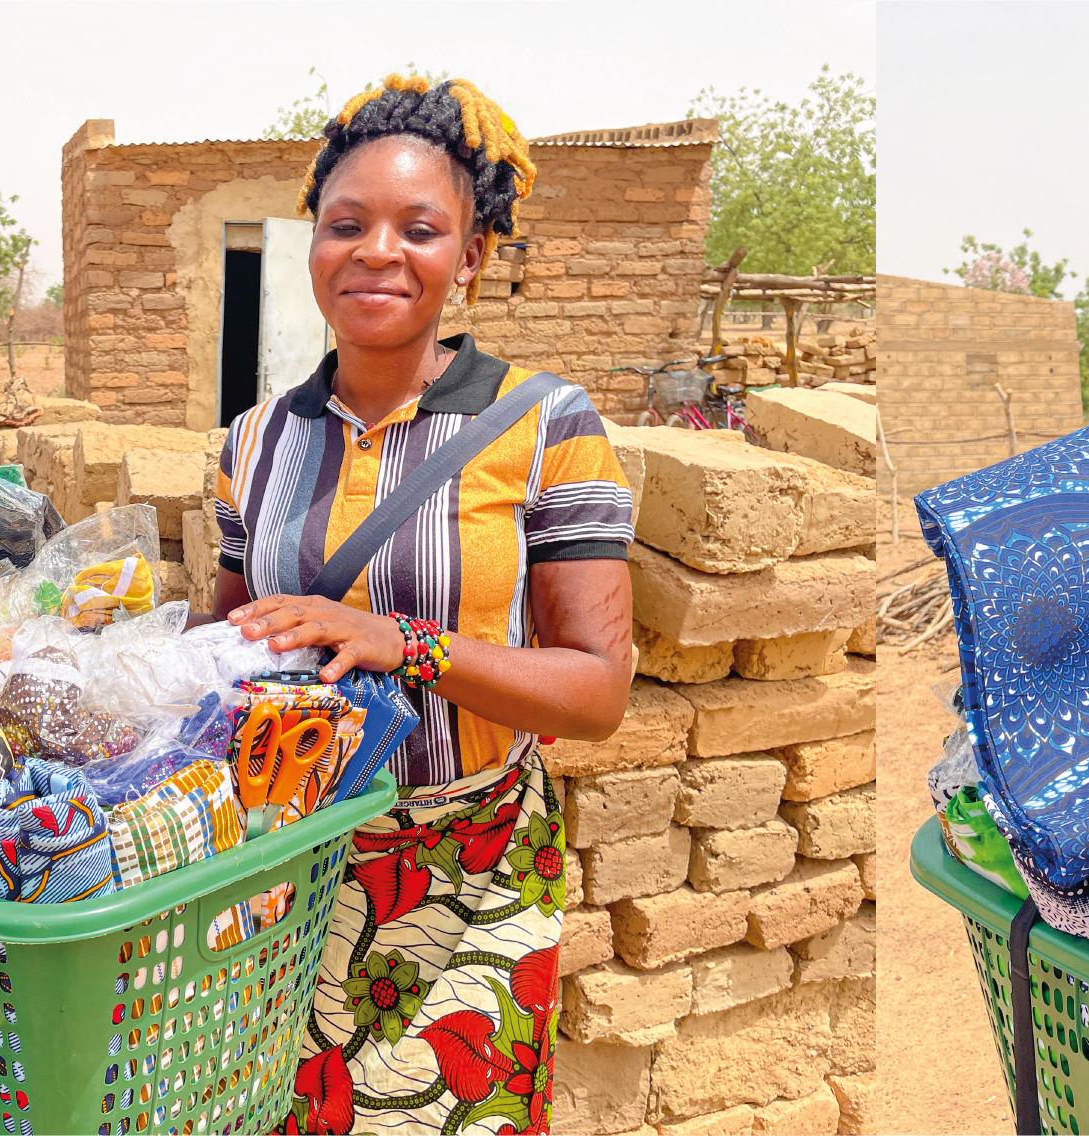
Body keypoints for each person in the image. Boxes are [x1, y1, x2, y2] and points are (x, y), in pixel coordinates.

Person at [211, 74, 635, 1135]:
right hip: (286, 873)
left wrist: (401, 641)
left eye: (420, 227)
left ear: (473, 254)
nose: (376, 250)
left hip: (468, 872)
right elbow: (224, 634)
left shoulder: (545, 424)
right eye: (345, 223)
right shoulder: (256, 439)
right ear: (312, 241)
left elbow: (596, 691)